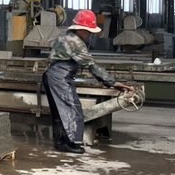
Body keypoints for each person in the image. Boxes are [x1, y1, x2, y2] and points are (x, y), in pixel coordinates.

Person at [42, 9, 134, 154]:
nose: (90, 35)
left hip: (51, 75)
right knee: (72, 109)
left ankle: (60, 142)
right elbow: (92, 66)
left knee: (59, 112)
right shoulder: (76, 43)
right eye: (88, 32)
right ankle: (71, 143)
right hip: (60, 78)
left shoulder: (64, 35)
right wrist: (113, 83)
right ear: (80, 29)